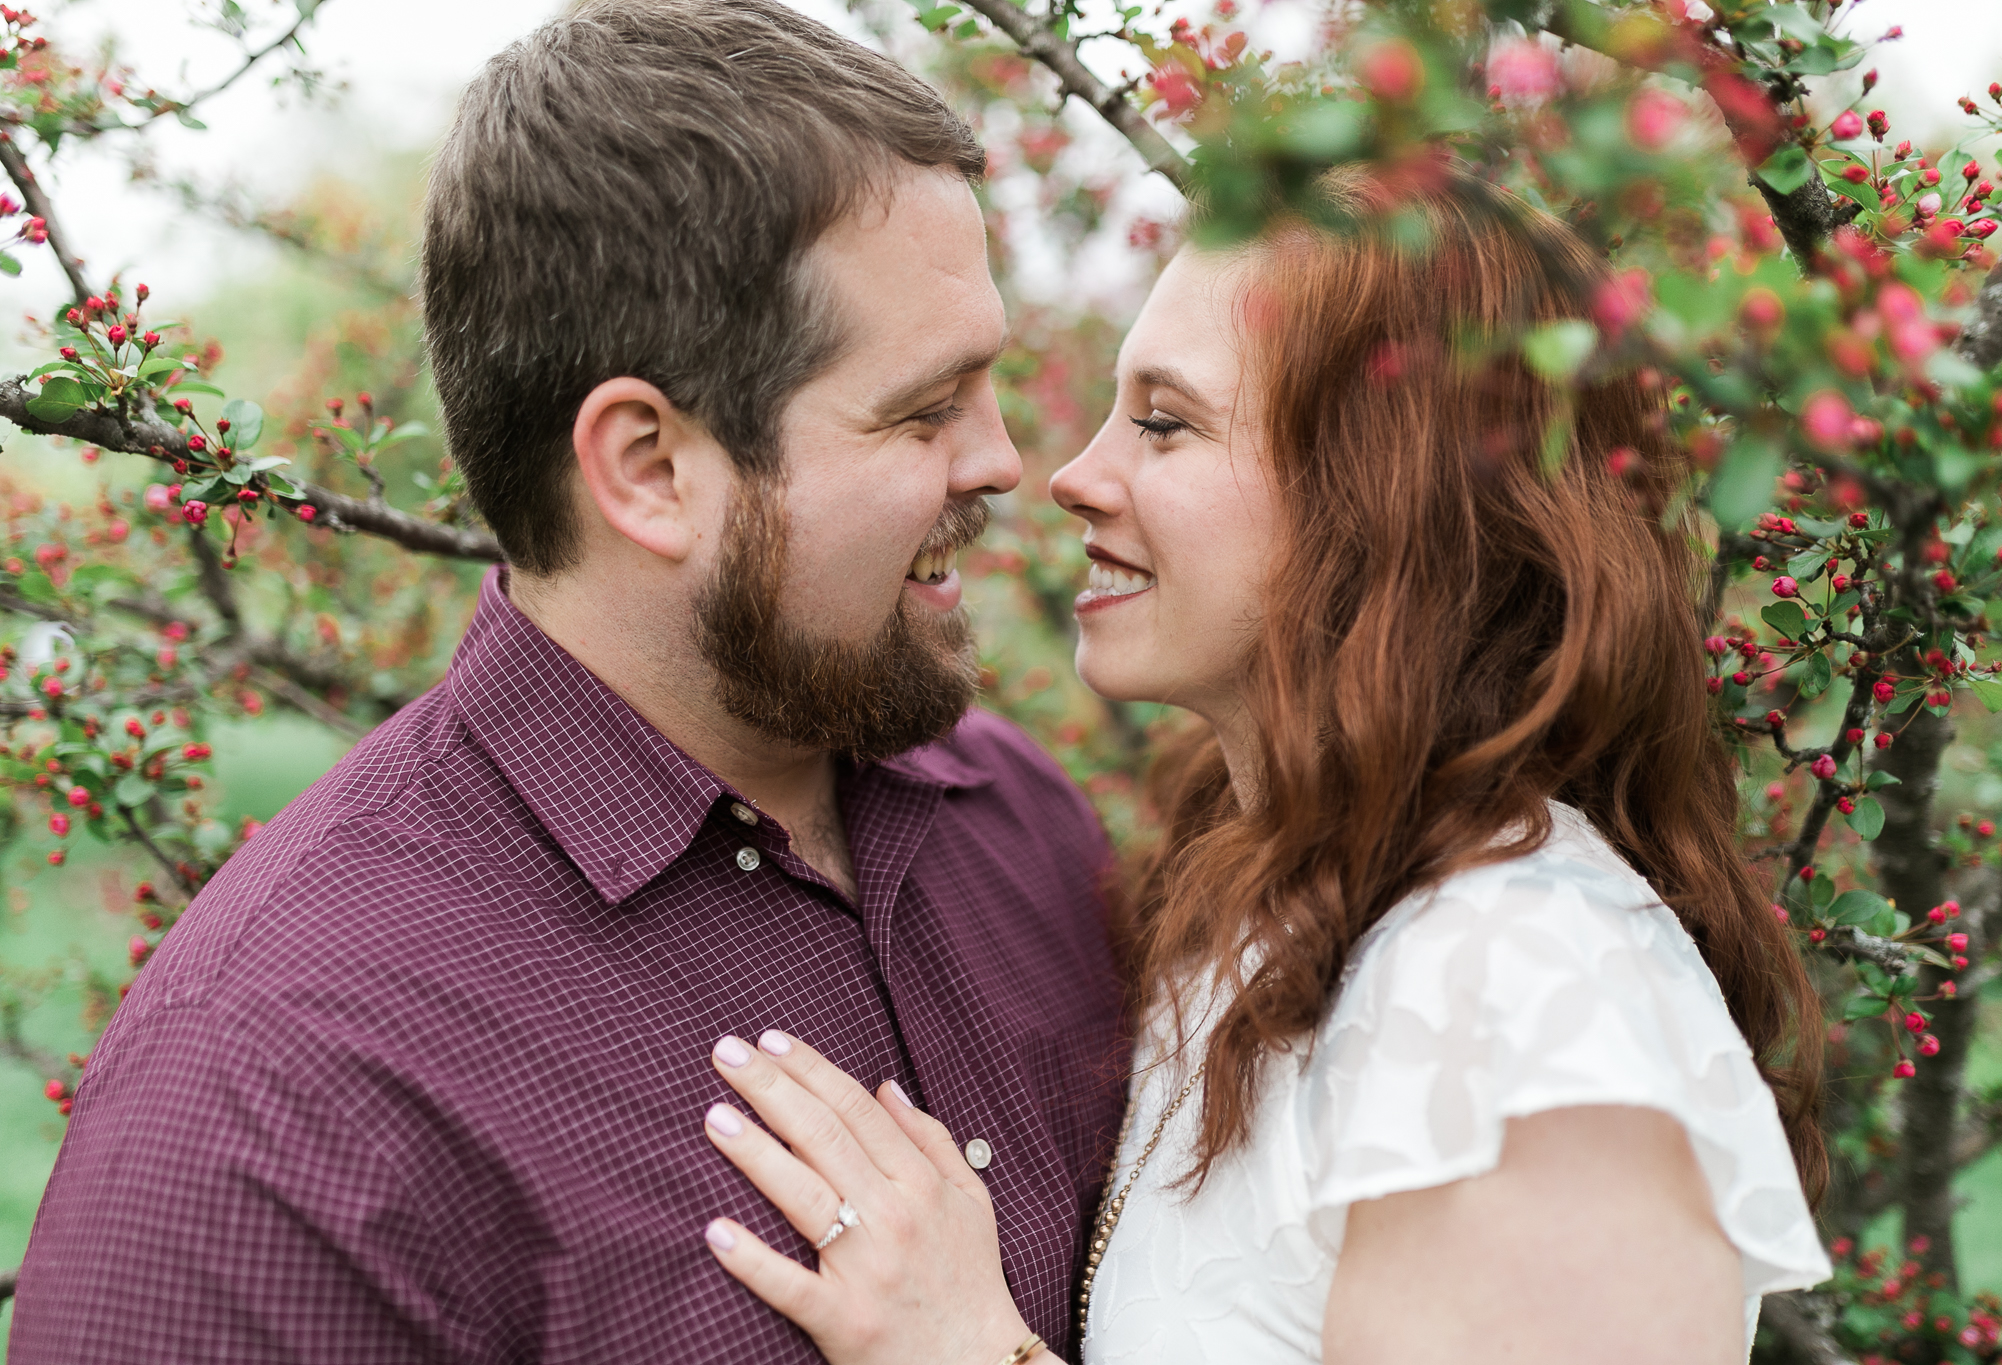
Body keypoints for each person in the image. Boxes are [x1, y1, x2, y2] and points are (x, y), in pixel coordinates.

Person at [6, 2, 1126, 1360]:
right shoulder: (277, 1091)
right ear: (649, 469)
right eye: (923, 409)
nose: (1006, 462)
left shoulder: (1026, 830)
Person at [691, 164, 1834, 1365]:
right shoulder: (1273, 894)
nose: (1071, 476)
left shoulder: (1526, 1010)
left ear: (1386, 500)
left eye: (1165, 423)